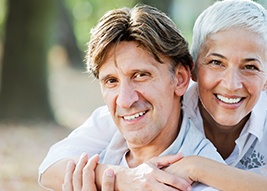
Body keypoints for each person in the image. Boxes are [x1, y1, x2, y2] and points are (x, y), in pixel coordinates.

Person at [39, 0, 267, 190]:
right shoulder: (162, 101)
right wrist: (125, 179)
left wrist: (199, 168)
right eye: (216, 62)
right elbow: (51, 165)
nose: (231, 84)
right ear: (193, 69)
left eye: (250, 67)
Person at [39, 4, 226, 191]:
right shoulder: (107, 137)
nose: (125, 101)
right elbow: (48, 168)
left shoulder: (207, 182)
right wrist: (122, 178)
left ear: (180, 79)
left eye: (140, 75)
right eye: (111, 81)